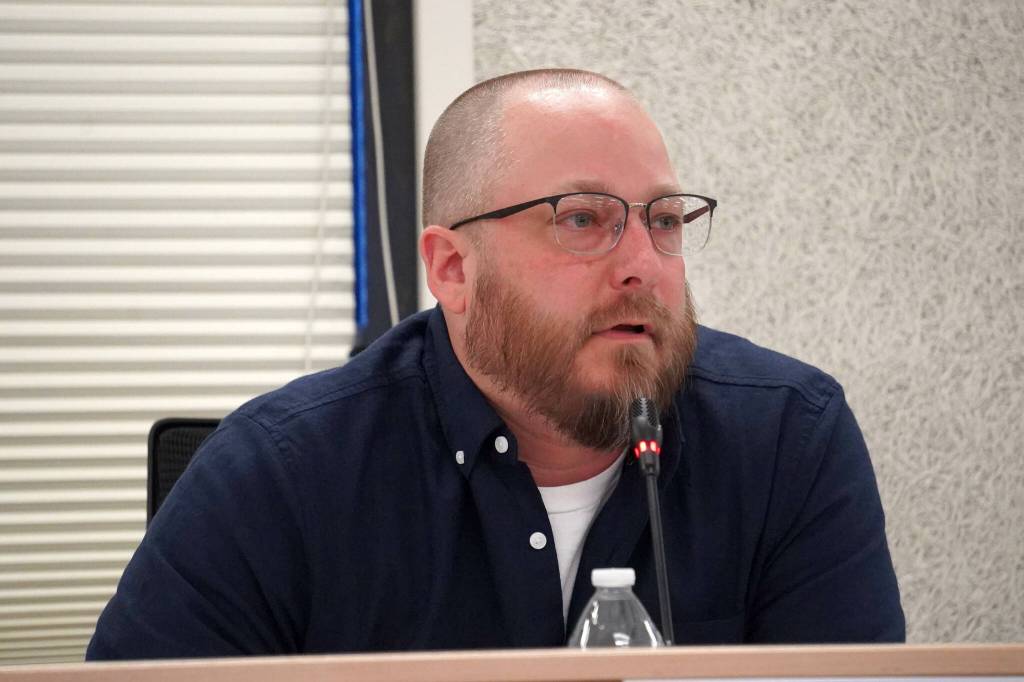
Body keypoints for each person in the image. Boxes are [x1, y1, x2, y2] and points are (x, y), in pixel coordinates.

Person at [87, 68, 904, 659]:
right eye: (583, 219)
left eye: (663, 219)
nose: (643, 265)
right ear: (451, 269)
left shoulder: (791, 440)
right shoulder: (282, 470)